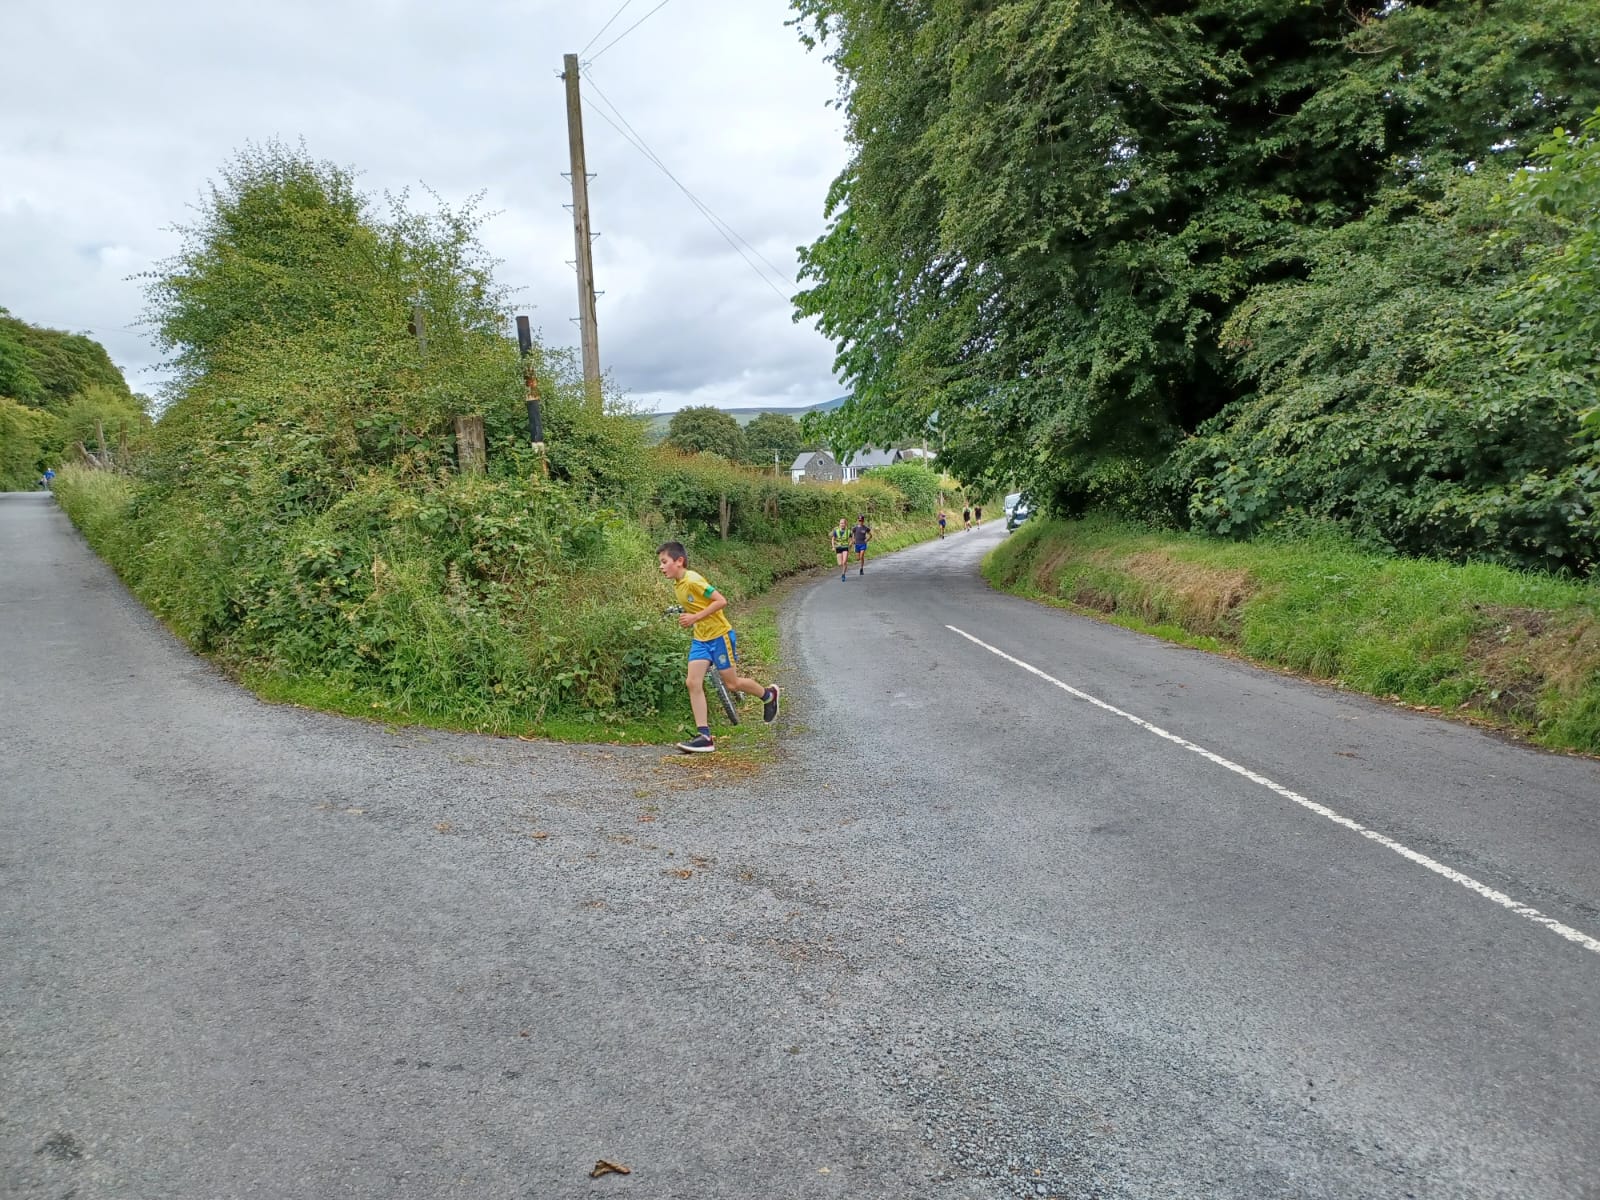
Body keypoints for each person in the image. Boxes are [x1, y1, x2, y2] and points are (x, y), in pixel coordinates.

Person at [657, 542, 779, 753]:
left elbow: (721, 601)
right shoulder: (678, 584)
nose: (661, 567)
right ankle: (705, 736)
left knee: (732, 684)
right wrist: (689, 615)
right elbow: (696, 604)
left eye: (664, 562)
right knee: (692, 682)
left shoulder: (693, 580)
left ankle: (768, 695)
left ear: (679, 561)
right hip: (700, 640)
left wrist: (695, 617)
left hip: (720, 636)